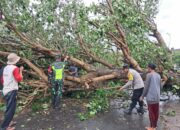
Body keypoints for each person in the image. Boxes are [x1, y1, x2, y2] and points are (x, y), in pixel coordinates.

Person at [0, 53, 23, 130]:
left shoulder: (5, 68)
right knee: (11, 109)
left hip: (6, 90)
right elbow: (19, 79)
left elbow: (2, 80)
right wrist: (21, 71)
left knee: (9, 108)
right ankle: (4, 127)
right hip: (11, 91)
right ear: (15, 61)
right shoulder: (15, 68)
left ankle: (9, 122)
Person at [140, 63, 161, 130]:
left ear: (149, 68)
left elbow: (146, 87)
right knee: (156, 112)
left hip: (151, 97)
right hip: (157, 97)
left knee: (151, 113)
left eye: (147, 68)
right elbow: (161, 87)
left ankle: (152, 127)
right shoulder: (158, 75)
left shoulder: (149, 75)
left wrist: (142, 96)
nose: (147, 69)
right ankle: (155, 126)